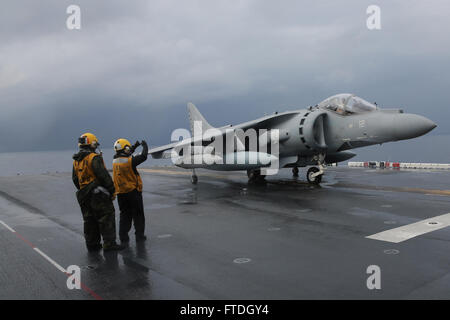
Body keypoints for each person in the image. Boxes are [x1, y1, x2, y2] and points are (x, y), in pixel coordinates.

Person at [72, 133, 125, 252]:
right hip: (98, 195)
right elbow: (103, 176)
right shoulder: (93, 158)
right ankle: (109, 244)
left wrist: (84, 189)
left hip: (83, 195)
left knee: (89, 219)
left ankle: (92, 244)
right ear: (92, 144)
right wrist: (111, 190)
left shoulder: (76, 160)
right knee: (106, 216)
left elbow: (75, 179)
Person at [112, 138, 148, 244]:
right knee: (138, 214)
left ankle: (123, 237)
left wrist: (135, 146)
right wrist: (145, 146)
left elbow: (126, 153)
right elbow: (143, 156)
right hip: (133, 192)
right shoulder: (129, 161)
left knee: (124, 215)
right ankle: (139, 236)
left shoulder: (115, 160)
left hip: (121, 193)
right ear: (125, 148)